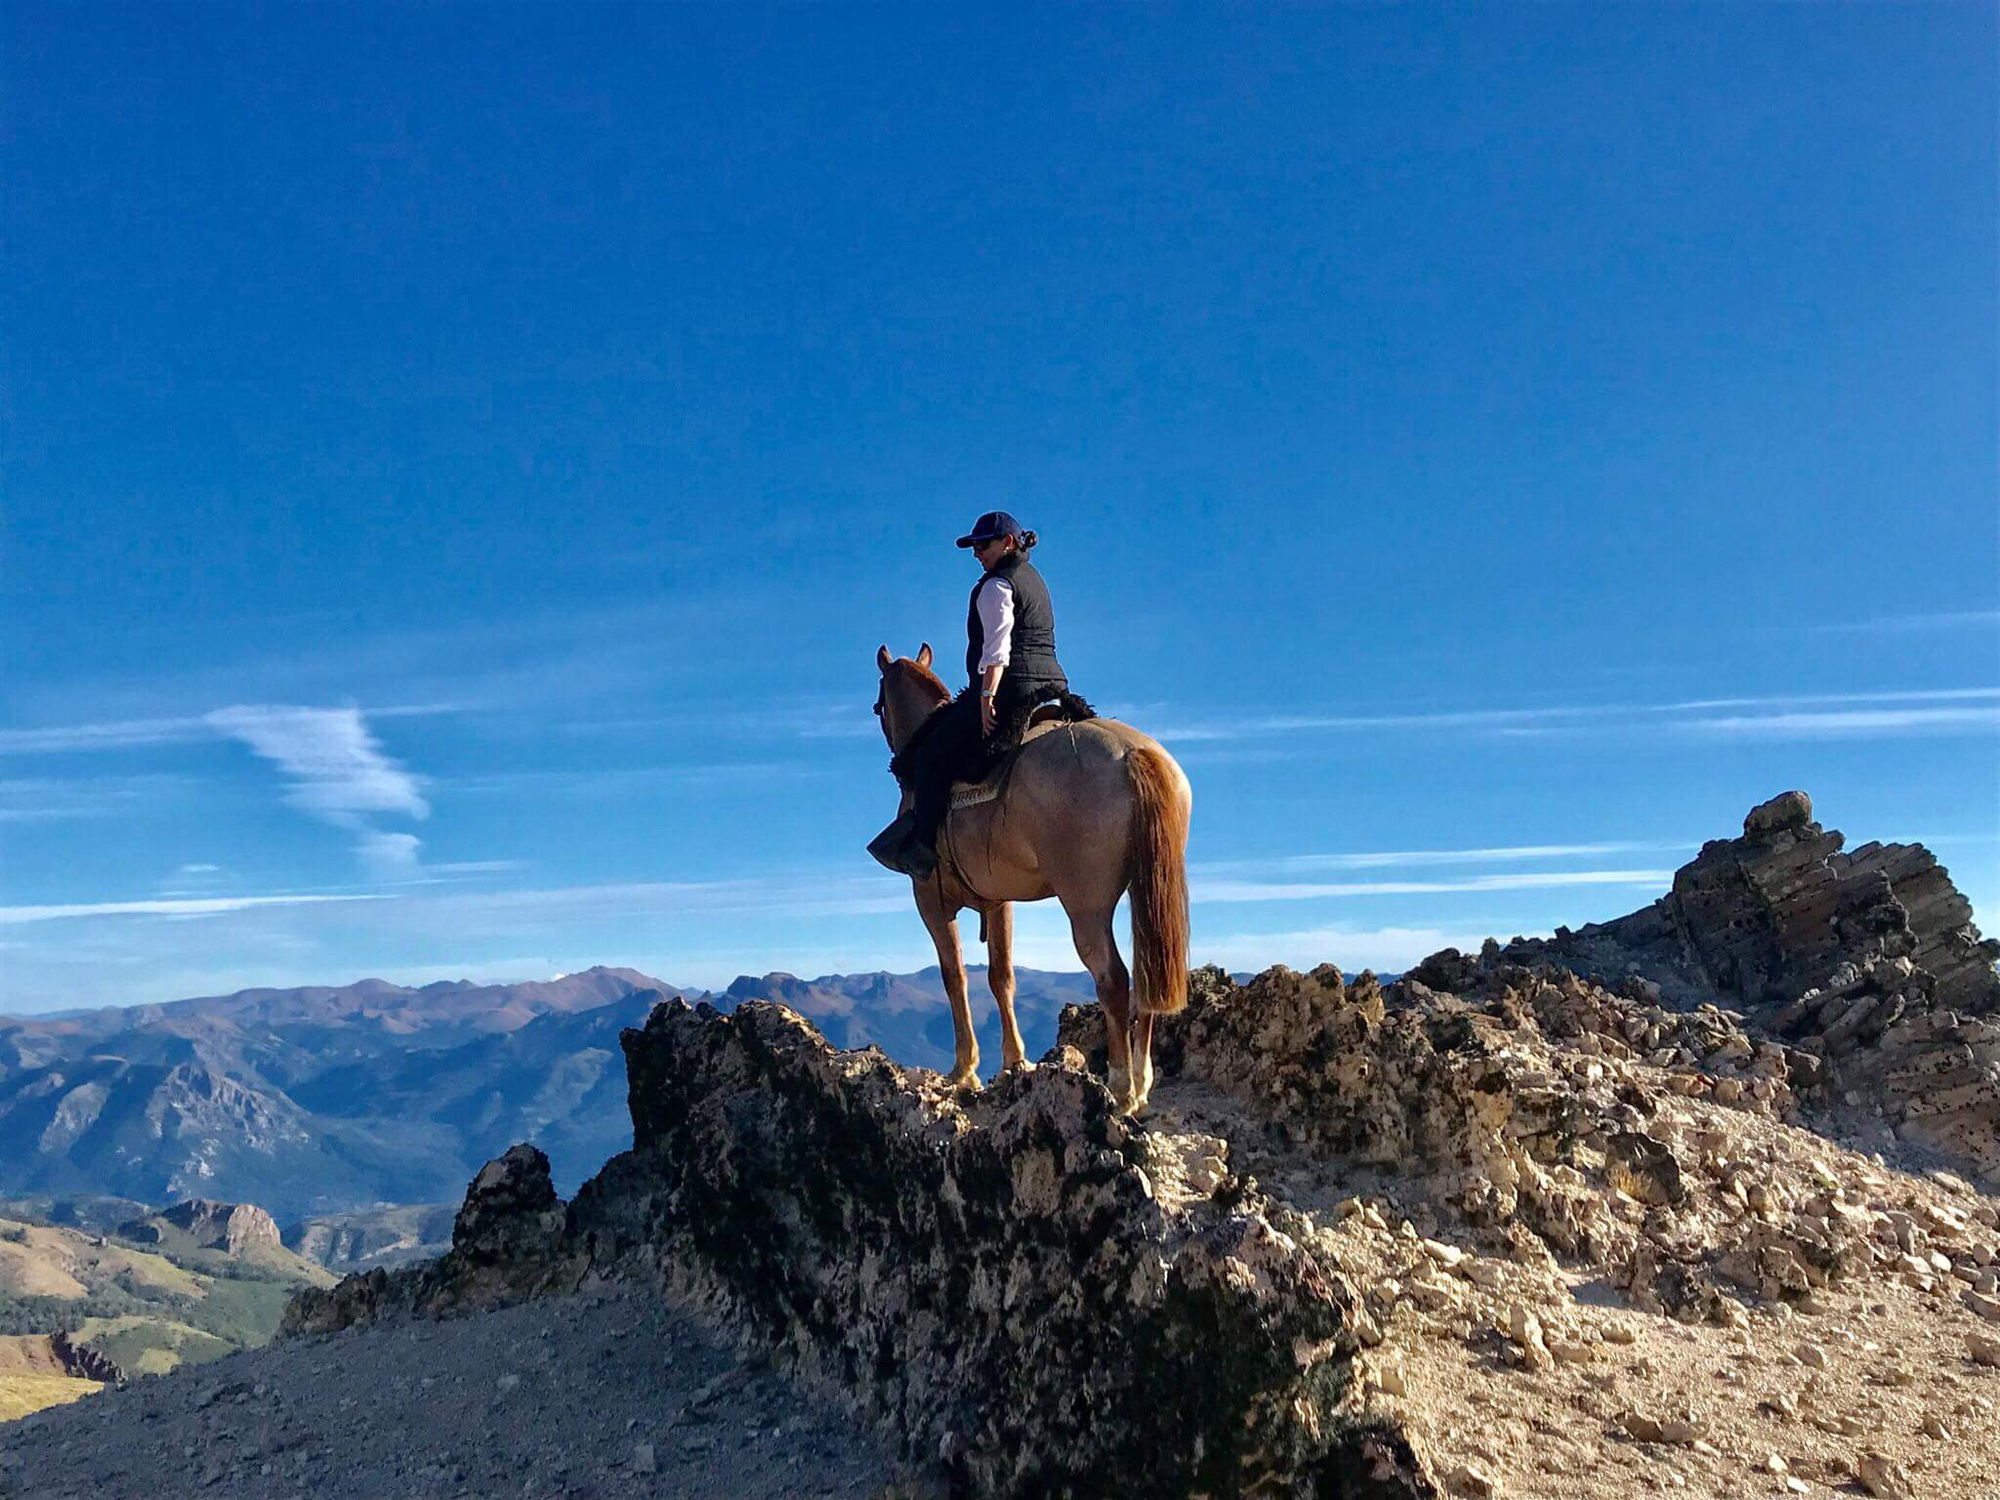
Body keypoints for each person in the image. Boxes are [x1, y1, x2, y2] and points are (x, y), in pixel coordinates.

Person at [868, 511, 1076, 879]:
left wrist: (987, 696)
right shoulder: (1035, 580)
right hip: (1053, 689)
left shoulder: (996, 586)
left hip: (1010, 689)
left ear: (1007, 542)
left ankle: (922, 849)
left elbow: (997, 648)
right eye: (974, 547)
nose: (976, 553)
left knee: (928, 756)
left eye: (982, 545)